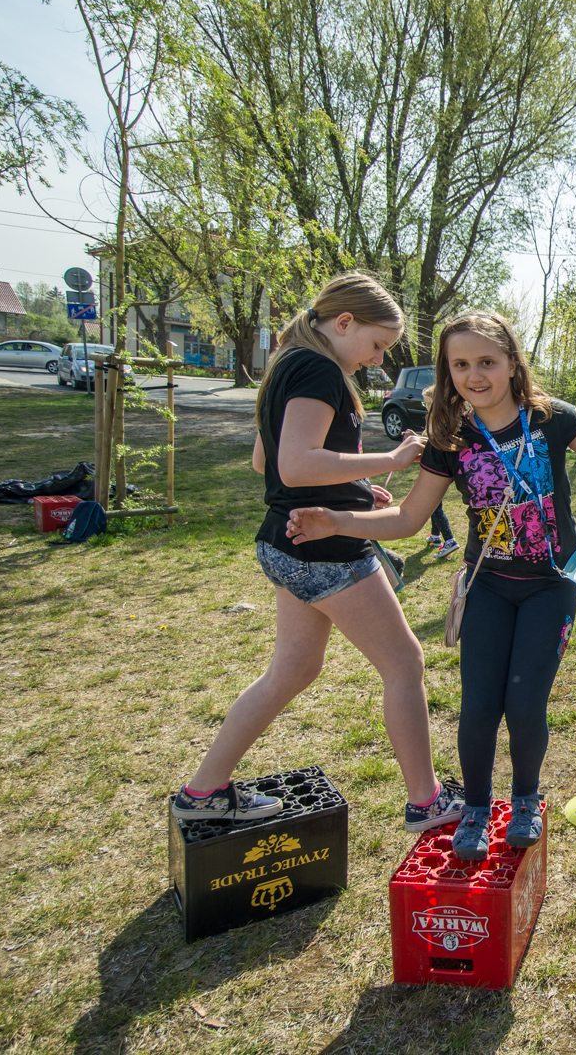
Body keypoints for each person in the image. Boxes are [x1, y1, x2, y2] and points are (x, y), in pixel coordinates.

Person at [285, 310, 576, 862]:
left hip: (551, 586)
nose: (474, 375)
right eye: (460, 364)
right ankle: (478, 808)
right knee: (479, 705)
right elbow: (409, 518)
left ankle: (527, 798)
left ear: (513, 362)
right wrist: (338, 521)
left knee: (525, 702)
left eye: (487, 361)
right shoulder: (450, 436)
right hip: (488, 586)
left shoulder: (552, 418)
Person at [173, 272, 462, 835]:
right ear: (345, 322)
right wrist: (390, 461)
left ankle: (202, 791)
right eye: (377, 344)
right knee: (404, 664)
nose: (377, 359)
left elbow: (268, 461)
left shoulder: (289, 363)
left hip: (288, 541)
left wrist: (351, 490)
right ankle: (426, 803)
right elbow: (295, 465)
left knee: (292, 671)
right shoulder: (318, 368)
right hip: (323, 549)